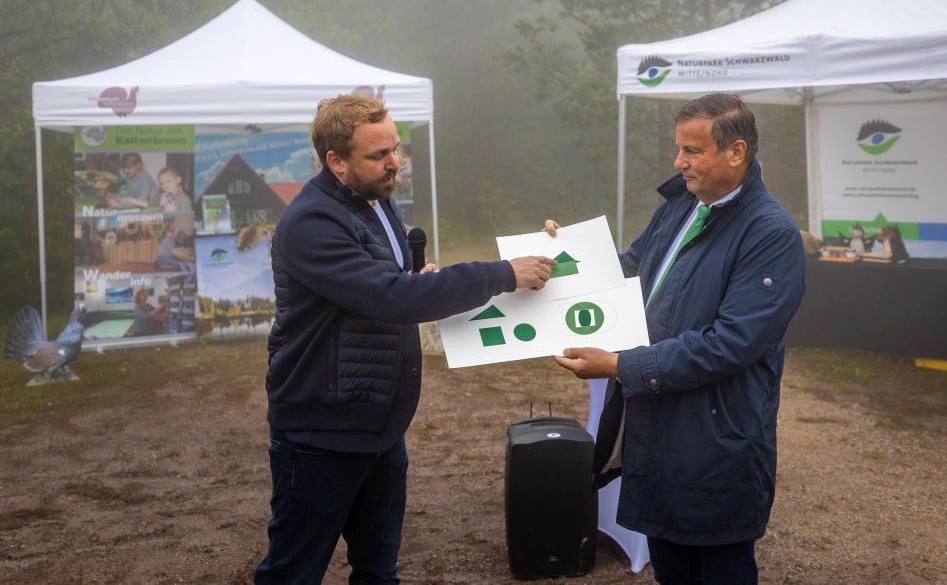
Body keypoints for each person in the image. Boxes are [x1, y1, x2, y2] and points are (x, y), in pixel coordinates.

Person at [254, 94, 556, 584]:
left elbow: (390, 284)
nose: (394, 162)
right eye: (378, 155)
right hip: (320, 431)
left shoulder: (377, 199)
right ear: (336, 162)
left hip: (379, 420)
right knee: (293, 573)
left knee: (378, 571)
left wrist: (418, 278)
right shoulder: (312, 221)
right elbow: (390, 297)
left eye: (396, 149)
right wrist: (501, 274)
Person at [544, 93, 806, 584]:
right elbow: (629, 272)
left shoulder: (771, 234)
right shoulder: (683, 206)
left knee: (718, 565)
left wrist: (621, 366)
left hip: (716, 438)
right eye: (679, 148)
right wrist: (562, 258)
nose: (678, 162)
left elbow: (730, 343)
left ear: (736, 152)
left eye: (692, 151)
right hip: (660, 426)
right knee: (673, 565)